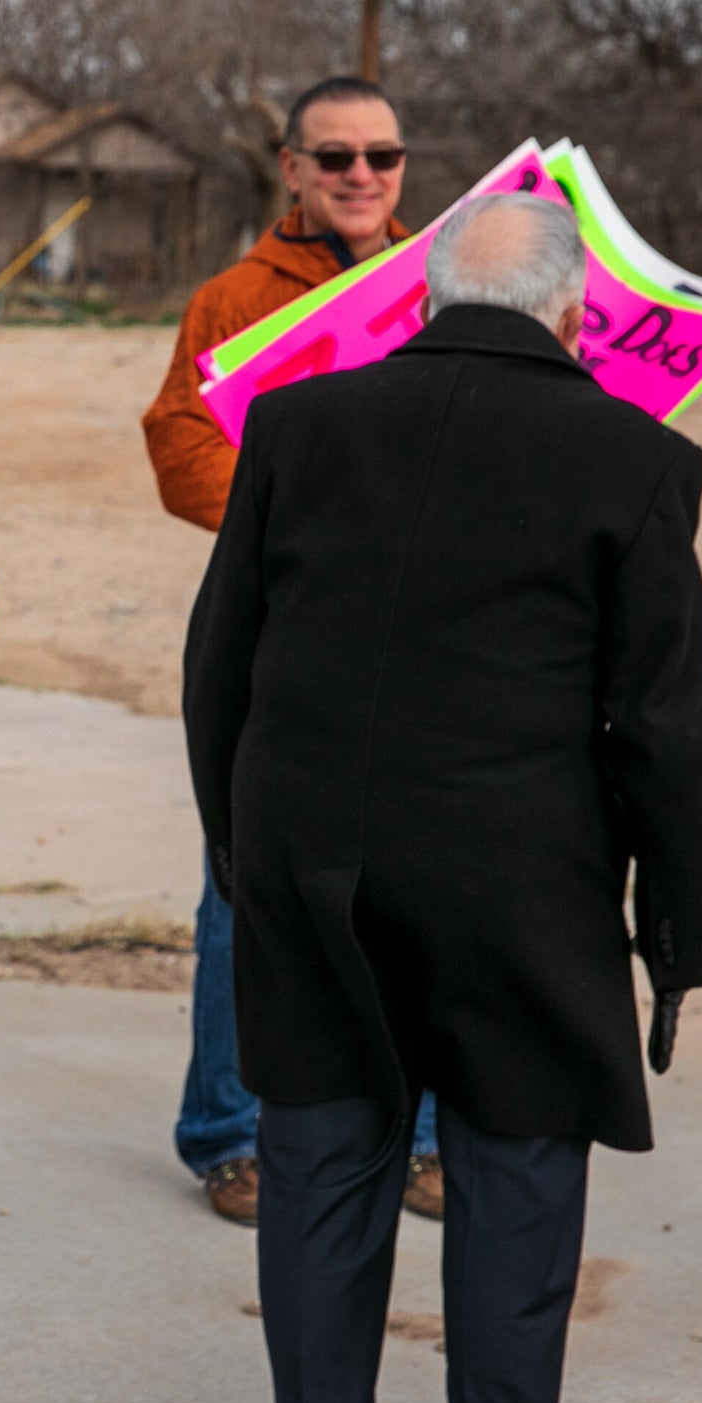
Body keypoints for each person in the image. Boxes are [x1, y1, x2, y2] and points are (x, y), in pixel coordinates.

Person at [182, 194, 702, 1403]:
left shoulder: (296, 424)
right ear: (572, 312)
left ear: (422, 301)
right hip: (524, 898)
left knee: (317, 1191)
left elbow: (220, 662)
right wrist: (677, 936)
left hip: (313, 872)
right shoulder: (637, 457)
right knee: (516, 1216)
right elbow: (664, 734)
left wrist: (237, 849)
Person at [140, 75, 441, 1226]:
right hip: (276, 635)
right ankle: (229, 1131)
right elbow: (176, 442)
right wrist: (297, 523)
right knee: (243, 884)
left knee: (417, 888)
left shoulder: (448, 284)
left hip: (420, 645)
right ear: (291, 167)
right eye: (335, 157)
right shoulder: (232, 299)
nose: (360, 174)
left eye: (381, 153)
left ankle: (418, 1131)